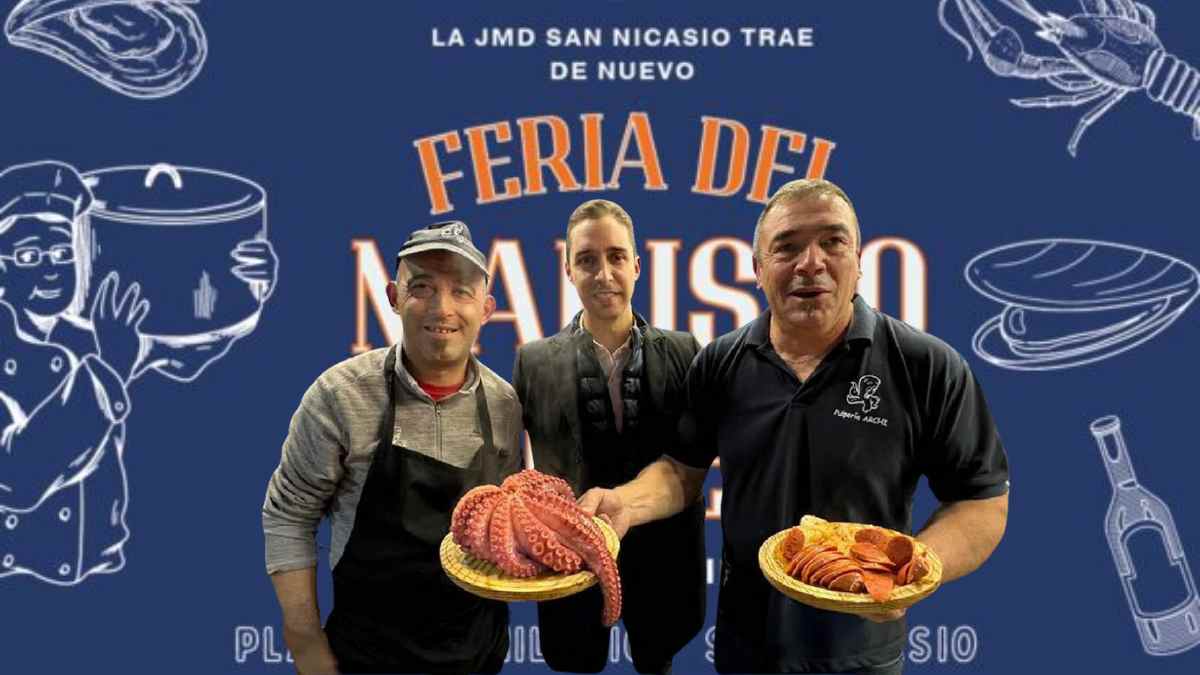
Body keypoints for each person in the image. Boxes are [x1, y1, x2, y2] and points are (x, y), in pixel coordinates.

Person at [580, 179, 1010, 674]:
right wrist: (625, 504)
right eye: (787, 247)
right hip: (746, 648)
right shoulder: (721, 361)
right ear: (759, 270)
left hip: (862, 656)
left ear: (859, 260)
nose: (811, 262)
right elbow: (682, 470)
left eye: (832, 241)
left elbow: (981, 501)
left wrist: (917, 568)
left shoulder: (927, 366)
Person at [262, 220, 525, 674]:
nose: (442, 309)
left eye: (462, 291)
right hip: (365, 655)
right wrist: (304, 641)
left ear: (486, 309)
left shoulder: (506, 405)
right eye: (422, 287)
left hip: (478, 653)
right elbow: (289, 513)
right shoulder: (340, 395)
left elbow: (505, 519)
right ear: (393, 296)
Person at [512, 200, 705, 674]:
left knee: (657, 659)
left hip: (666, 561)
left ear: (637, 266)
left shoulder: (687, 351)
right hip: (569, 562)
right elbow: (513, 469)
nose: (604, 273)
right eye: (587, 260)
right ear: (568, 270)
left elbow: (697, 456)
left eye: (617, 257)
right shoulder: (532, 361)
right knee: (575, 663)